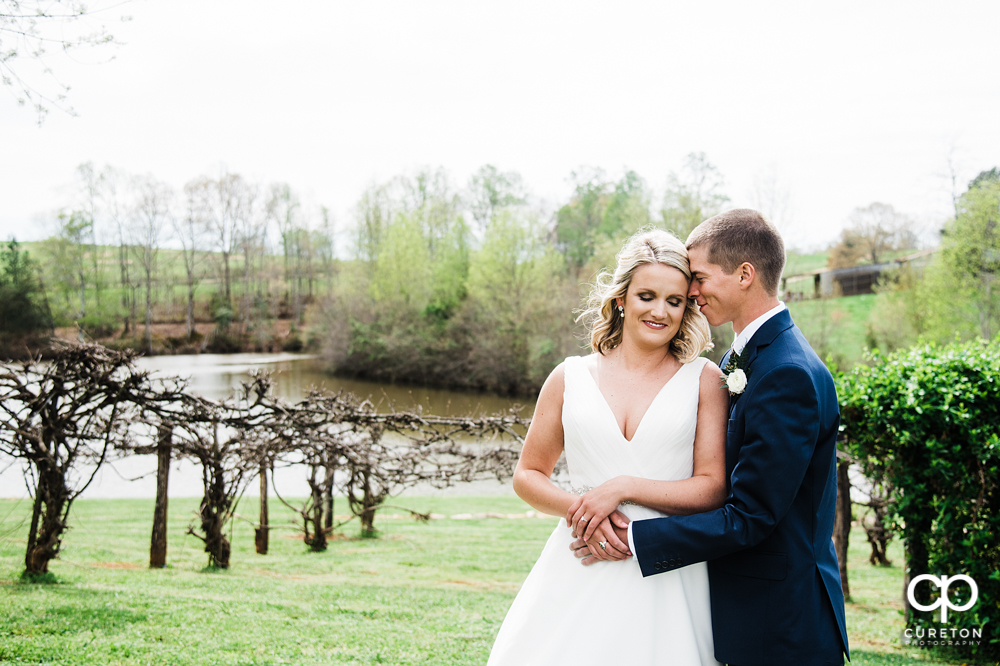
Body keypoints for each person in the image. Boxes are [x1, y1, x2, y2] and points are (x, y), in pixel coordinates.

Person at [570, 210, 850, 666]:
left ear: (744, 275)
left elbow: (751, 516)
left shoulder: (787, 372)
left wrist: (633, 536)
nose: (692, 293)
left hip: (780, 627)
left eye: (698, 278)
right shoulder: (745, 361)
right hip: (741, 612)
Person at [488, 229, 728, 666]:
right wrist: (584, 513)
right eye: (647, 295)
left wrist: (621, 487)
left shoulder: (705, 380)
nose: (660, 311)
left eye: (674, 301)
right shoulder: (569, 377)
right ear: (621, 298)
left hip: (669, 573)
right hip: (581, 562)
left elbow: (712, 489)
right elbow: (528, 475)